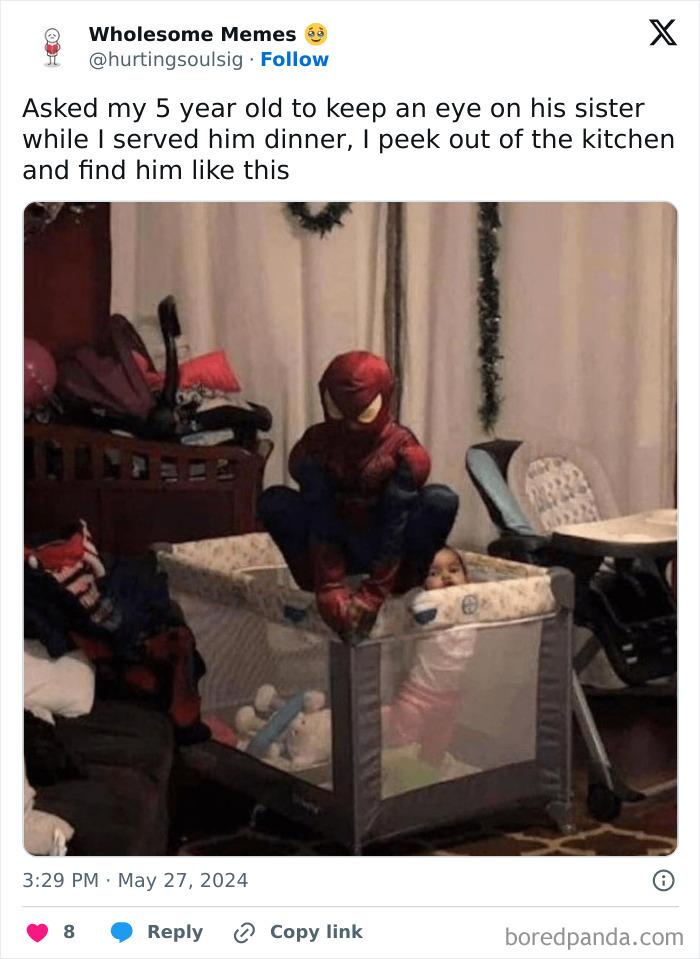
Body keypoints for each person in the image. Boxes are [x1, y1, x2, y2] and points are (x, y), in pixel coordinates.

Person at [258, 351, 458, 641]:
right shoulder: (315, 445)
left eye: (363, 413)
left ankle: (398, 584)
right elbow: (320, 512)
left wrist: (374, 594)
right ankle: (321, 582)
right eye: (338, 412)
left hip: (388, 552)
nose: (351, 426)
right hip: (331, 543)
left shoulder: (403, 450)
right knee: (274, 501)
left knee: (440, 500)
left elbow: (395, 522)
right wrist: (328, 587)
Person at [383, 546, 476, 766]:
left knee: (437, 745)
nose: (446, 576)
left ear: (467, 578)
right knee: (402, 742)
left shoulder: (474, 603)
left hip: (451, 697)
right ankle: (392, 772)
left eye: (454, 570)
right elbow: (409, 600)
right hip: (418, 694)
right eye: (433, 573)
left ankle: (427, 780)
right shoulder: (425, 605)